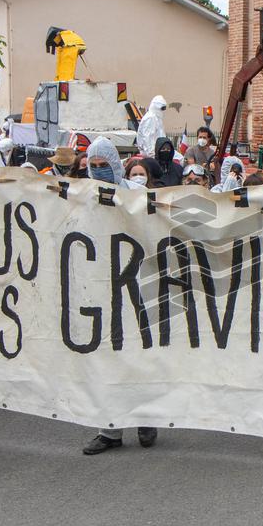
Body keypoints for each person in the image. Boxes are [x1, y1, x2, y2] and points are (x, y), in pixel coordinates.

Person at [81, 139, 156, 455]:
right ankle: (109, 430)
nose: (99, 172)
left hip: (137, 283)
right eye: (93, 166)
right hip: (101, 285)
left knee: (140, 356)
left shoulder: (135, 196)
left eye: (104, 166)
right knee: (106, 358)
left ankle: (148, 416)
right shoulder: (83, 197)